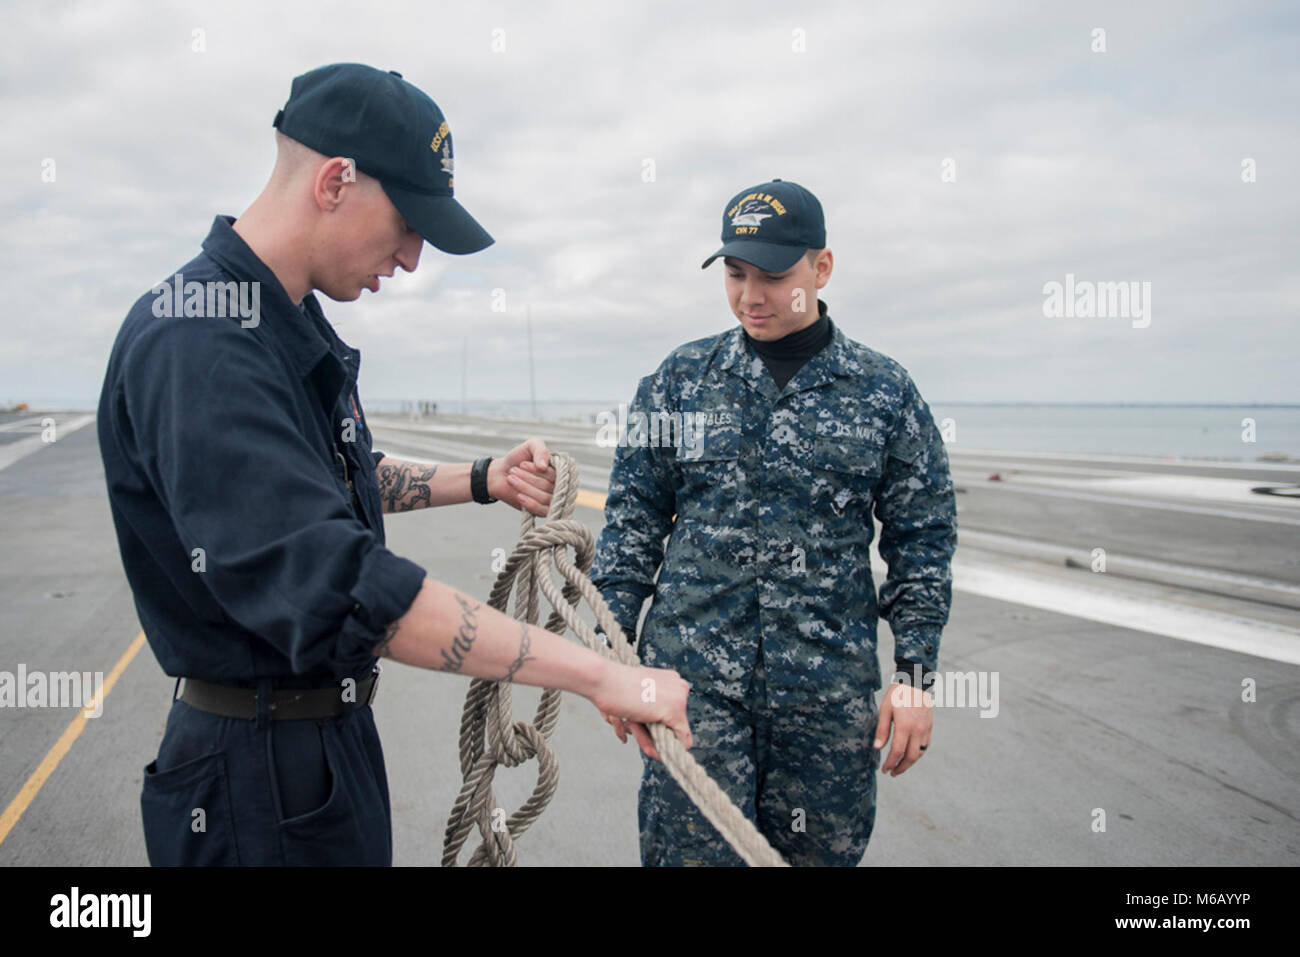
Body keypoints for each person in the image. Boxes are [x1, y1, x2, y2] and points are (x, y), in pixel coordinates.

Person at [96, 63, 691, 867]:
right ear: (336, 180)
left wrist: (482, 478)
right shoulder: (200, 342)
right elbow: (340, 583)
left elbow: (321, 482)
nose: (411, 258)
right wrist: (598, 675)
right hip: (253, 777)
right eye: (409, 222)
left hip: (320, 746)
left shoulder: (278, 319)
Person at [591, 179, 957, 866]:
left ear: (821, 268)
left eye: (773, 276)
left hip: (826, 703)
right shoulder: (681, 382)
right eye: (735, 274)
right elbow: (632, 521)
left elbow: (923, 539)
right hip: (691, 694)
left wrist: (914, 674)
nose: (750, 296)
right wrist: (609, 658)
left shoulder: (884, 392)